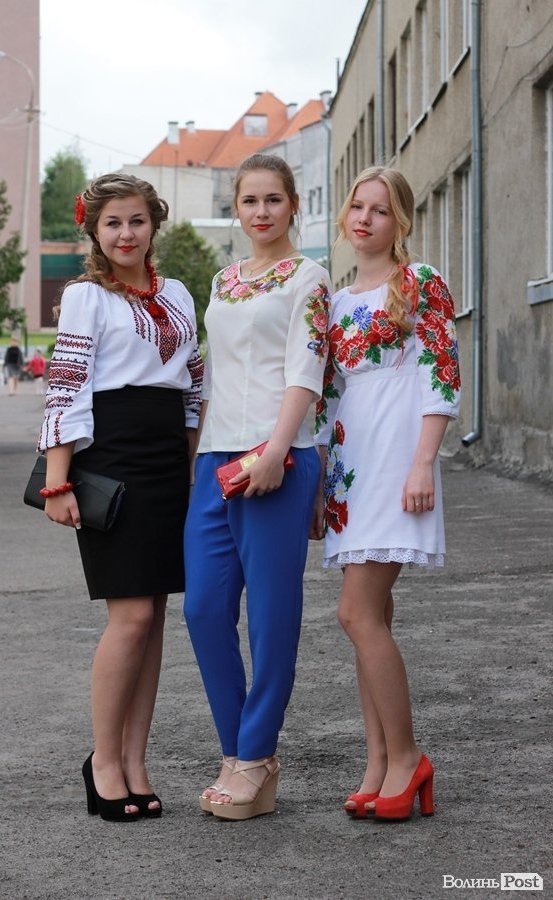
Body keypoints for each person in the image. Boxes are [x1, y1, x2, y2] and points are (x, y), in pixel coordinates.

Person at [37, 173, 203, 822]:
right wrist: (58, 480)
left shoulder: (179, 293)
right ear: (95, 231)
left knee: (154, 616)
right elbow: (66, 385)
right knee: (129, 617)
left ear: (153, 223)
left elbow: (193, 386)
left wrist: (193, 469)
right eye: (113, 223)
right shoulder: (86, 297)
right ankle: (103, 760)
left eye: (136, 220)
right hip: (110, 456)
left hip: (167, 460)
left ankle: (136, 760)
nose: (126, 234)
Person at [183, 153, 332, 820]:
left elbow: (307, 368)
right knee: (203, 609)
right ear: (237, 209)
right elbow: (214, 371)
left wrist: (276, 449)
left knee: (271, 618)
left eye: (274, 199)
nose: (262, 211)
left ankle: (252, 756)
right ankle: (243, 753)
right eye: (250, 200)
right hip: (216, 459)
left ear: (293, 204)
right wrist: (196, 453)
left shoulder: (309, 278)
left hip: (278, 458)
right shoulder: (223, 279)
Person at [312, 166, 460, 821]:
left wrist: (424, 462)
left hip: (400, 456)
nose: (364, 219)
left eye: (379, 209)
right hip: (353, 463)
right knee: (371, 616)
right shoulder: (336, 303)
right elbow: (328, 397)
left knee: (356, 613)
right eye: (357, 207)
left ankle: (407, 757)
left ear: (399, 220)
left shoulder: (420, 281)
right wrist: (321, 481)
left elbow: (442, 372)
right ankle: (377, 763)